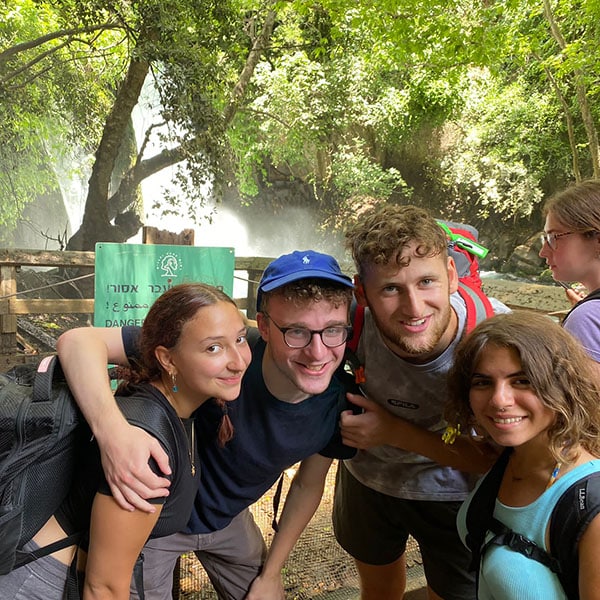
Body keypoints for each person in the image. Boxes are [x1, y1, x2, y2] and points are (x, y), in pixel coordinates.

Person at [55, 250, 355, 600]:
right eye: (297, 332)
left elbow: (308, 485)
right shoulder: (215, 352)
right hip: (155, 518)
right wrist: (113, 433)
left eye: (333, 330)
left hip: (227, 519)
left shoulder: (338, 404)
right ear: (266, 327)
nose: (318, 352)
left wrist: (272, 573)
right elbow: (78, 341)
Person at [0, 282, 251, 600]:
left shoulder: (172, 406)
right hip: (38, 584)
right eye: (213, 348)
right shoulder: (147, 448)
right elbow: (103, 588)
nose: (238, 361)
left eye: (240, 339)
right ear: (168, 359)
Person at [332, 203, 509, 600]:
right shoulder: (349, 325)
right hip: (369, 480)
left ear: (451, 275)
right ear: (362, 292)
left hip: (456, 492)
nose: (414, 308)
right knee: (377, 592)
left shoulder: (495, 339)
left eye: (426, 282)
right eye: (391, 288)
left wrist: (391, 431)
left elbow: (495, 460)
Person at [446, 311, 600, 599]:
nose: (499, 400)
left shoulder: (590, 508)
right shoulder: (508, 453)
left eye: (522, 381)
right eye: (483, 382)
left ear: (562, 385)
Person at [539, 179, 600, 362]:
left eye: (553, 237)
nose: (543, 252)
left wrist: (583, 318)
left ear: (597, 239)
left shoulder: (587, 318)